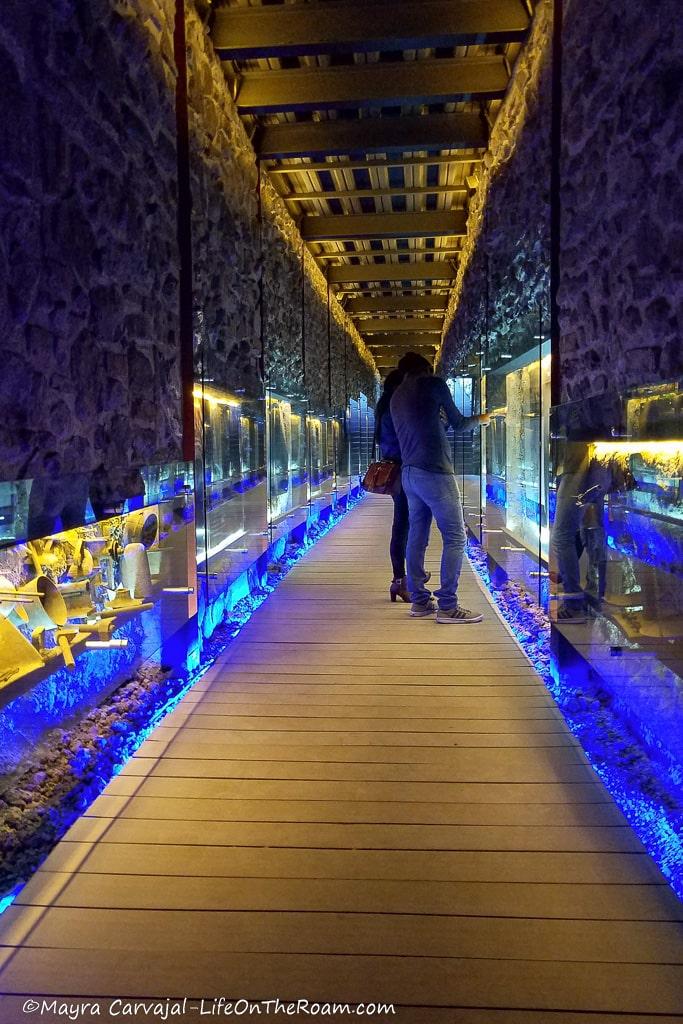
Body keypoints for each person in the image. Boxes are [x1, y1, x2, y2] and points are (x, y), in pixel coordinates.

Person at [390, 353, 489, 623]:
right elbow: (458, 424)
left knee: (417, 537)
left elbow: (426, 426)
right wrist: (483, 418)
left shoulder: (396, 395)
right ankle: (448, 606)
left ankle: (420, 601)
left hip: (409, 474)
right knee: (456, 537)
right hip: (435, 471)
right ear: (426, 368)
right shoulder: (433, 384)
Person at [374, 368, 413, 602]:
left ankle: (403, 577)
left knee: (403, 523)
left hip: (394, 469)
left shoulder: (383, 405)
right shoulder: (395, 406)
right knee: (404, 525)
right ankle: (401, 580)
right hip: (403, 469)